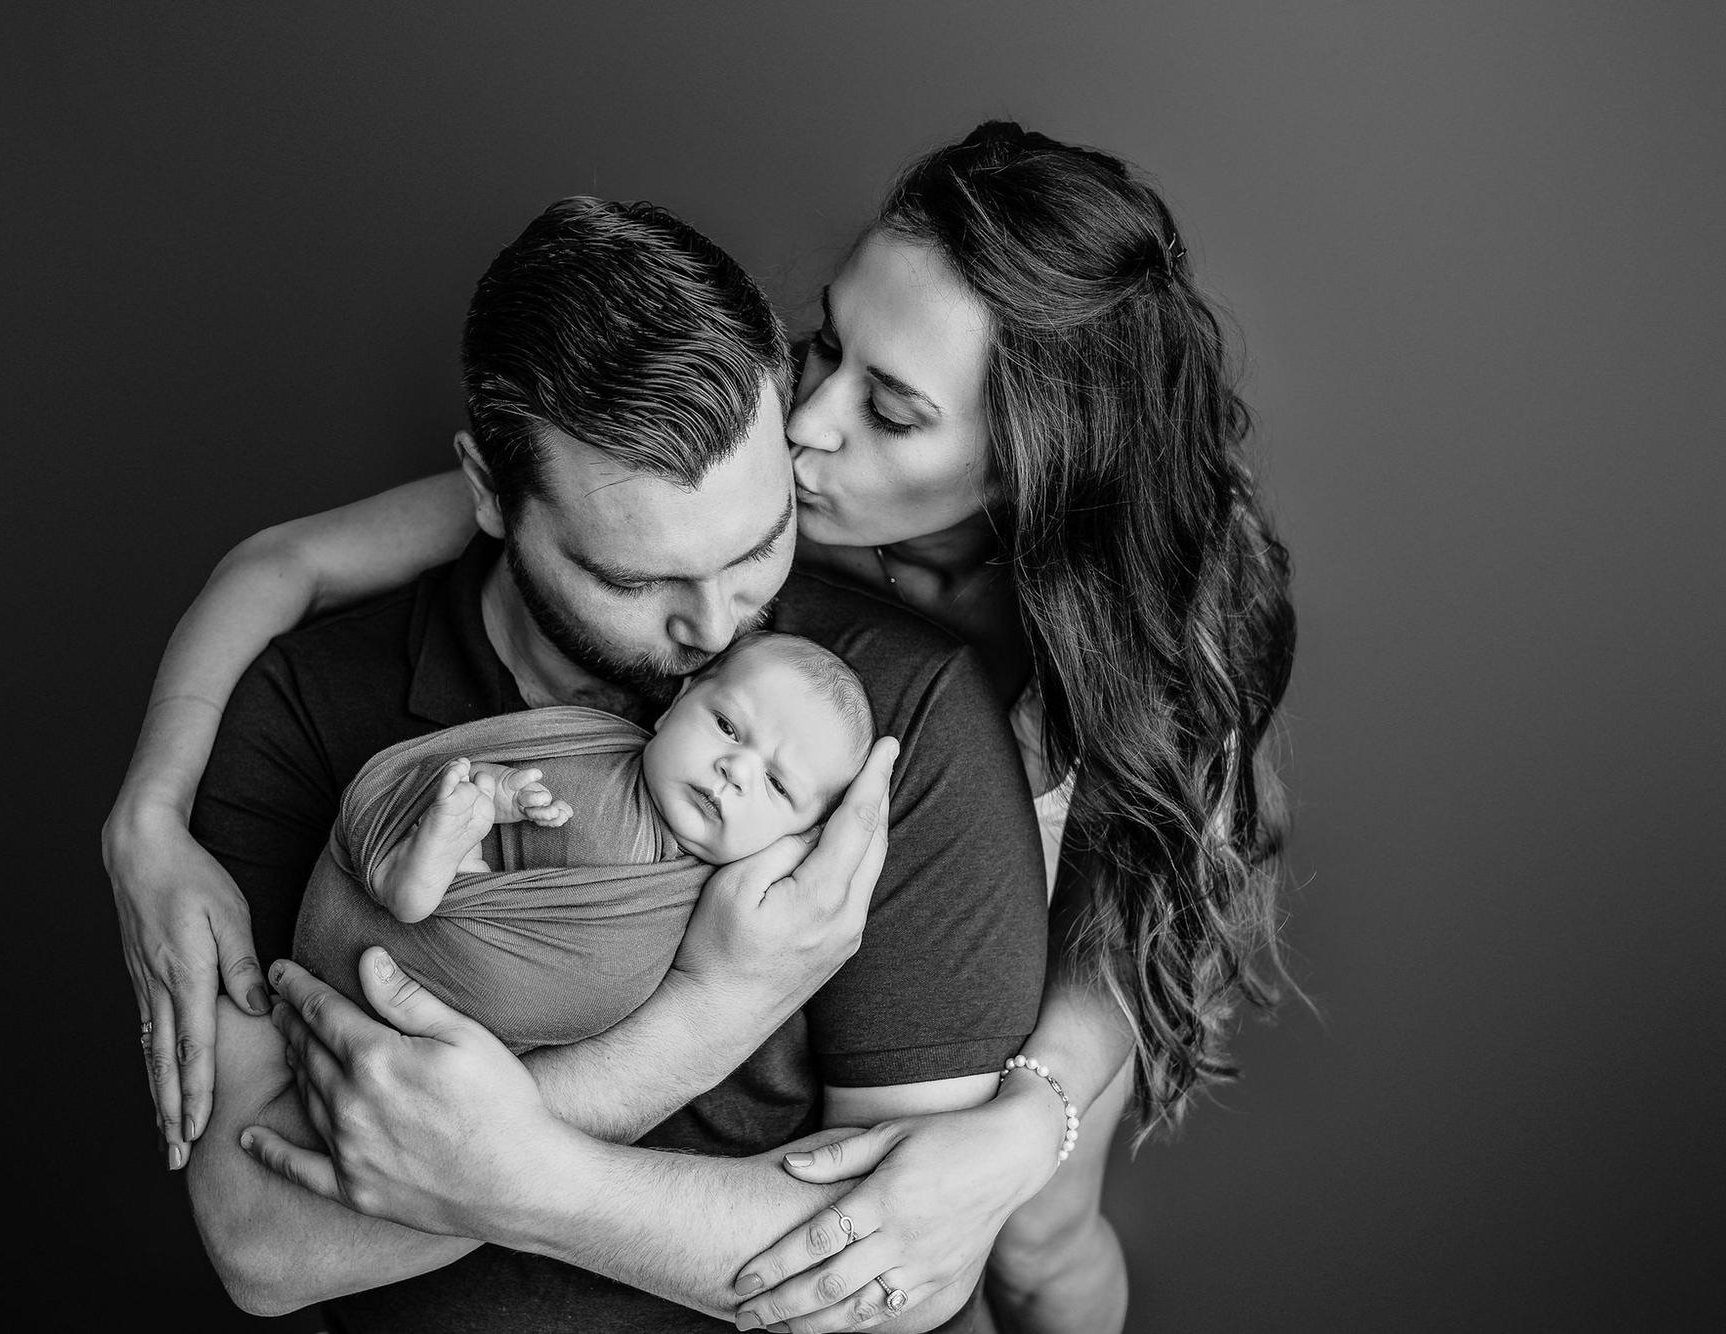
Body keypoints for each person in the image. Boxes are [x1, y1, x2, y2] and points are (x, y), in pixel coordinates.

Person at [104, 124, 1296, 1332]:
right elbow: (285, 562)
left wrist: (1032, 1116)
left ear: (1035, 460)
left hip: (1085, 884)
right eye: (823, 345)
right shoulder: (712, 476)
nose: (809, 421)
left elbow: (1148, 887)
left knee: (1037, 1229)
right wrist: (147, 812)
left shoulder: (1082, 651)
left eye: (889, 409)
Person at [295, 631, 874, 1052]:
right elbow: (481, 758)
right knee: (473, 789)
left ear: (802, 838)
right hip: (374, 952)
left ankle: (454, 868)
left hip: (495, 1001)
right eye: (726, 726)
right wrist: (498, 787)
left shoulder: (727, 906)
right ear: (677, 701)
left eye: (777, 785)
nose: (736, 769)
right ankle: (446, 854)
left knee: (542, 987)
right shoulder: (589, 747)